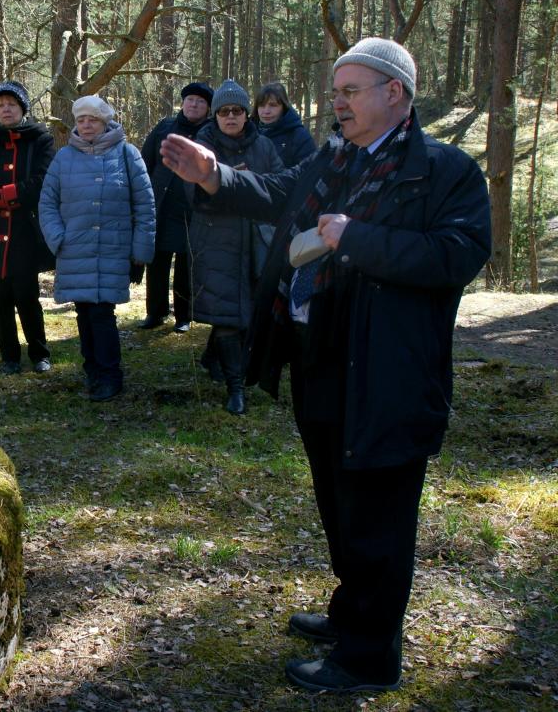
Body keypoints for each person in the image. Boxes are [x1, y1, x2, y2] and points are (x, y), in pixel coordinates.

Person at [160, 37, 491, 693]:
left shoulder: (446, 171)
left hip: (388, 373)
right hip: (319, 359)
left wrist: (356, 238)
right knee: (339, 504)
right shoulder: (333, 158)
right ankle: (351, 614)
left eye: (350, 91)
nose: (336, 103)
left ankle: (369, 657)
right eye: (335, 91)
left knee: (379, 515)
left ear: (394, 92)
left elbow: (456, 254)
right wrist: (212, 175)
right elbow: (276, 192)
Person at [39, 95, 154, 401]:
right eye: (81, 120)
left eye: (93, 120)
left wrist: (141, 253)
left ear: (105, 122)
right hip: (75, 248)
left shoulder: (127, 155)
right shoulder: (64, 158)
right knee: (84, 312)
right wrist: (58, 237)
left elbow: (145, 205)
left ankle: (110, 376)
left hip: (112, 249)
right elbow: (47, 203)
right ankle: (92, 372)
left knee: (102, 313)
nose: (87, 125)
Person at [191, 79, 284, 414]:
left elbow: (279, 187)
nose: (230, 117)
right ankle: (236, 388)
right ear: (215, 116)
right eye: (224, 111)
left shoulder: (264, 146)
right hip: (217, 240)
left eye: (237, 111)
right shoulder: (201, 145)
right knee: (228, 313)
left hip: (259, 241)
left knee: (250, 311)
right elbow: (194, 195)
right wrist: (226, 184)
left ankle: (215, 360)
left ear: (247, 114)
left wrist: (249, 183)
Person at [0, 80, 56, 374]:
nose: (5, 109)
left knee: (27, 297)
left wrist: (7, 194)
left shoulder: (42, 140)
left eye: (11, 104)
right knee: (1, 299)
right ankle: (9, 357)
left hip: (26, 231)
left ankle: (40, 354)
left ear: (22, 109)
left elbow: (43, 181)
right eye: (0, 105)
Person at [138, 81, 213, 331]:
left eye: (200, 102)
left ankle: (184, 316)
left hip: (192, 211)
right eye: (191, 100)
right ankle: (155, 313)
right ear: (183, 103)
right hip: (161, 206)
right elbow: (146, 161)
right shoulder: (165, 127)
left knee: (185, 266)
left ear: (208, 108)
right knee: (157, 264)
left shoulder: (211, 132)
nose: (194, 105)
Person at [254, 81, 316, 168]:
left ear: (284, 107)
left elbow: (310, 174)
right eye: (261, 105)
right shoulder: (248, 133)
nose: (266, 111)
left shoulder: (299, 137)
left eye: (273, 105)